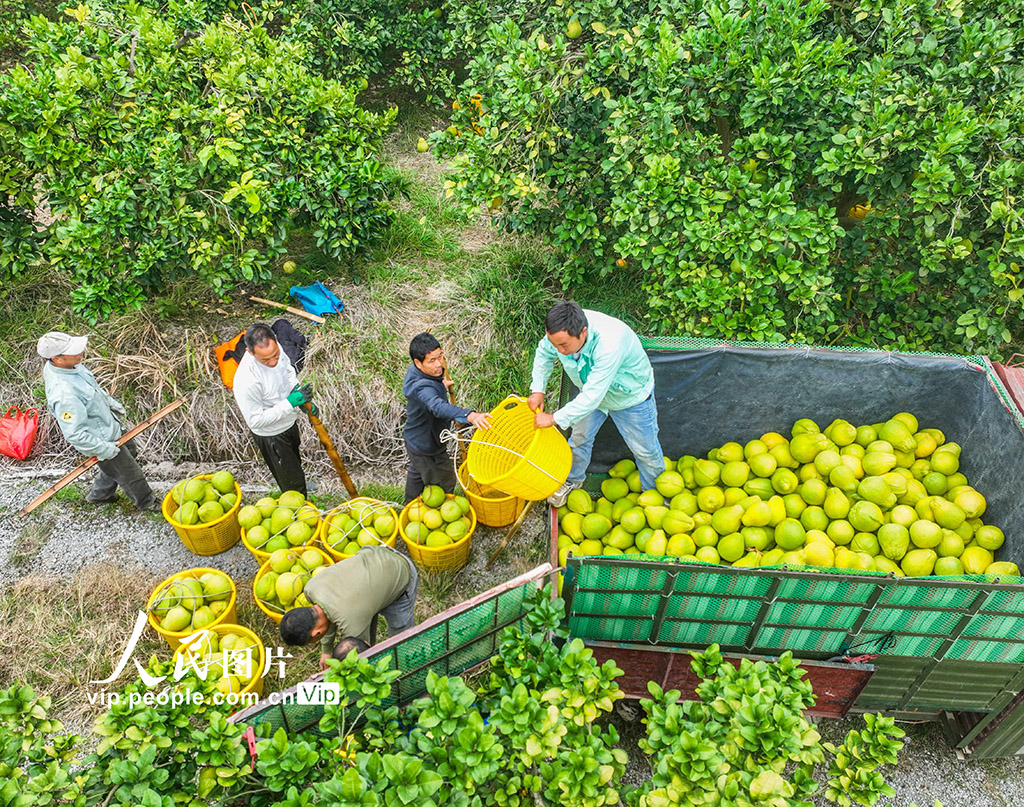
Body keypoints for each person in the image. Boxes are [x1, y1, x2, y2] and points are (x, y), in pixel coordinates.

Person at [529, 301, 665, 506]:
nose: (558, 349)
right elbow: (544, 352)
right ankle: (573, 480)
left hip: (629, 397)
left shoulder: (610, 343)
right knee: (579, 439)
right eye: (554, 343)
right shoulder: (561, 333)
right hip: (590, 392)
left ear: (583, 332)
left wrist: (554, 419)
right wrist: (538, 389)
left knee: (645, 451)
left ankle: (654, 496)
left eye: (563, 345)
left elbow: (593, 396)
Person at [38, 331, 158, 511]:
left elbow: (91, 388)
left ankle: (99, 495)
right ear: (57, 358)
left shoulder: (71, 366)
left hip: (107, 424)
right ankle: (147, 502)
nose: (80, 353)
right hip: (99, 438)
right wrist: (103, 449)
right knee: (130, 472)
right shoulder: (64, 393)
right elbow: (76, 434)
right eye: (73, 351)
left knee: (130, 451)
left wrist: (110, 403)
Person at [278, 546, 418, 670]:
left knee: (401, 637)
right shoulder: (311, 588)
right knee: (363, 612)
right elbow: (327, 613)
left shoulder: (352, 625)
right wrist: (326, 651)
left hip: (400, 571)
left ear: (317, 634)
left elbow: (361, 659)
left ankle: (407, 661)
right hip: (375, 554)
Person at [402, 332, 491, 504]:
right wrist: (469, 415)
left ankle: (408, 504)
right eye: (432, 361)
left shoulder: (417, 374)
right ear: (417, 363)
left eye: (440, 356)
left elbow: (428, 390)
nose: (439, 364)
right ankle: (440, 506)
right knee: (443, 480)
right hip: (426, 444)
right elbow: (436, 405)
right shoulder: (422, 388)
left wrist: (439, 385)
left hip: (415, 439)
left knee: (417, 470)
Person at [232, 323, 314, 497]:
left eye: (275, 355)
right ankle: (299, 510)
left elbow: (287, 372)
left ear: (276, 340)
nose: (273, 361)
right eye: (266, 360)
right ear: (250, 352)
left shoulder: (276, 350)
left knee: (294, 465)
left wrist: (297, 395)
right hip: (272, 435)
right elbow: (255, 420)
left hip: (288, 422)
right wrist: (290, 403)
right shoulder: (246, 380)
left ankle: (298, 485)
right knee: (291, 483)